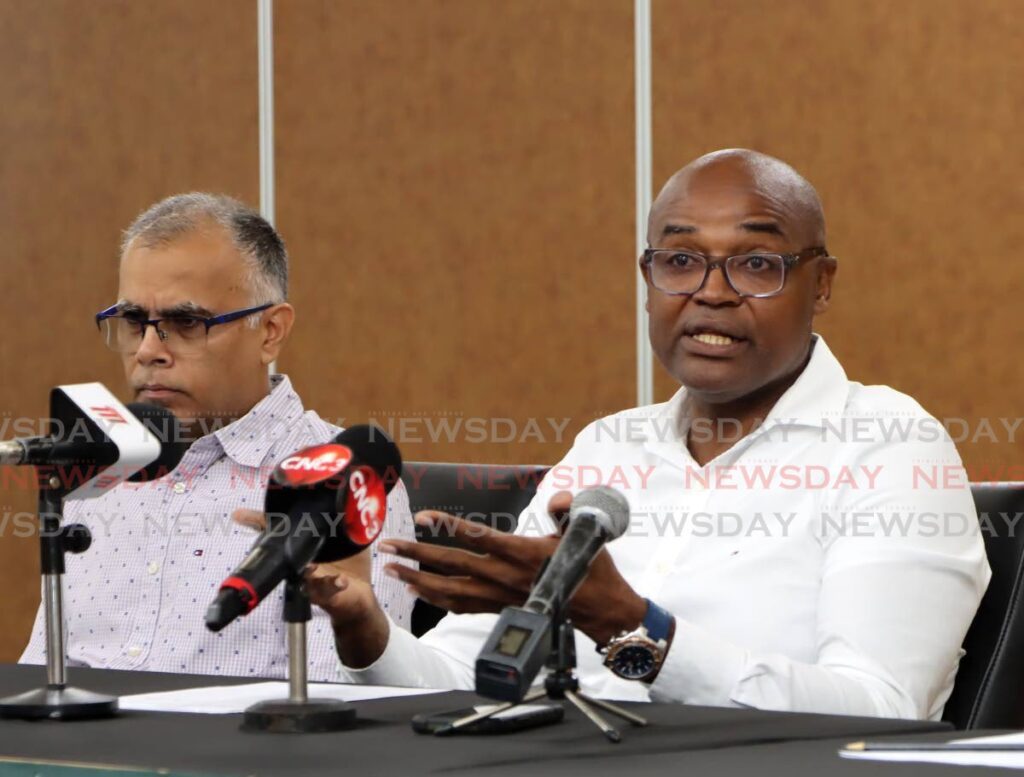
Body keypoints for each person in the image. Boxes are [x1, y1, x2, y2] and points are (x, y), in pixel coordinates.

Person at [294, 149, 990, 720]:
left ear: (823, 284)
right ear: (648, 278)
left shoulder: (890, 446)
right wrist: (367, 631)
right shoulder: (609, 448)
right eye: (680, 262)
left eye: (756, 264)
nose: (711, 292)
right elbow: (472, 676)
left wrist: (635, 627)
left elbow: (881, 709)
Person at [19, 193, 416, 681]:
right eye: (132, 321)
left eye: (186, 323)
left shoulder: (344, 483)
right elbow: (43, 678)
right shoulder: (99, 466)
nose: (147, 351)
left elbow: (341, 705)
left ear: (270, 331)